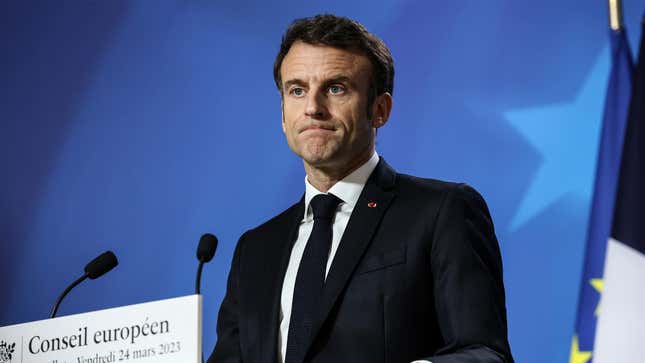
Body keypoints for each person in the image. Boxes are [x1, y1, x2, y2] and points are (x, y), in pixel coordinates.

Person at [207, 14, 514, 363]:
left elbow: (485, 354)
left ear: (379, 110)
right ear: (282, 114)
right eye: (297, 90)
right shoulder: (255, 249)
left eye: (336, 88)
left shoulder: (442, 211)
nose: (313, 108)